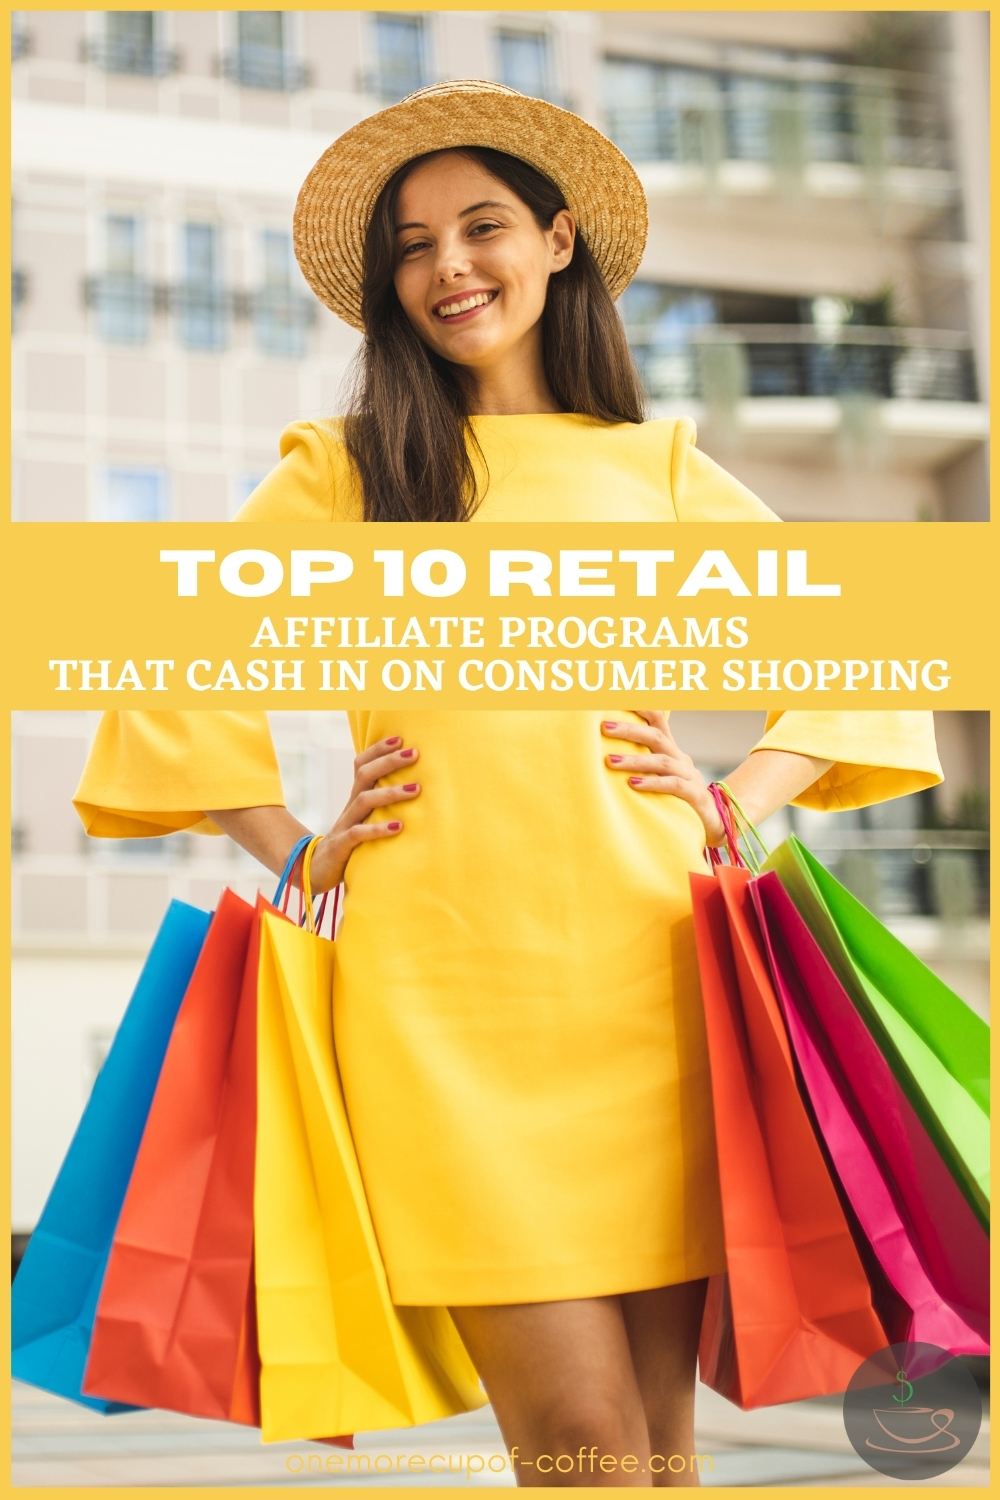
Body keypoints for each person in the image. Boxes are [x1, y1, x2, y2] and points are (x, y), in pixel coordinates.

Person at [74, 81, 944, 1487]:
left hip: (651, 983)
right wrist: (293, 847)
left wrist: (737, 794)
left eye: (481, 229)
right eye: (412, 247)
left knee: (662, 1456)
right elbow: (168, 657)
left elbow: (867, 642)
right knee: (584, 1449)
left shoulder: (655, 468)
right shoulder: (346, 475)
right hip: (439, 1004)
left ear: (555, 243)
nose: (447, 269)